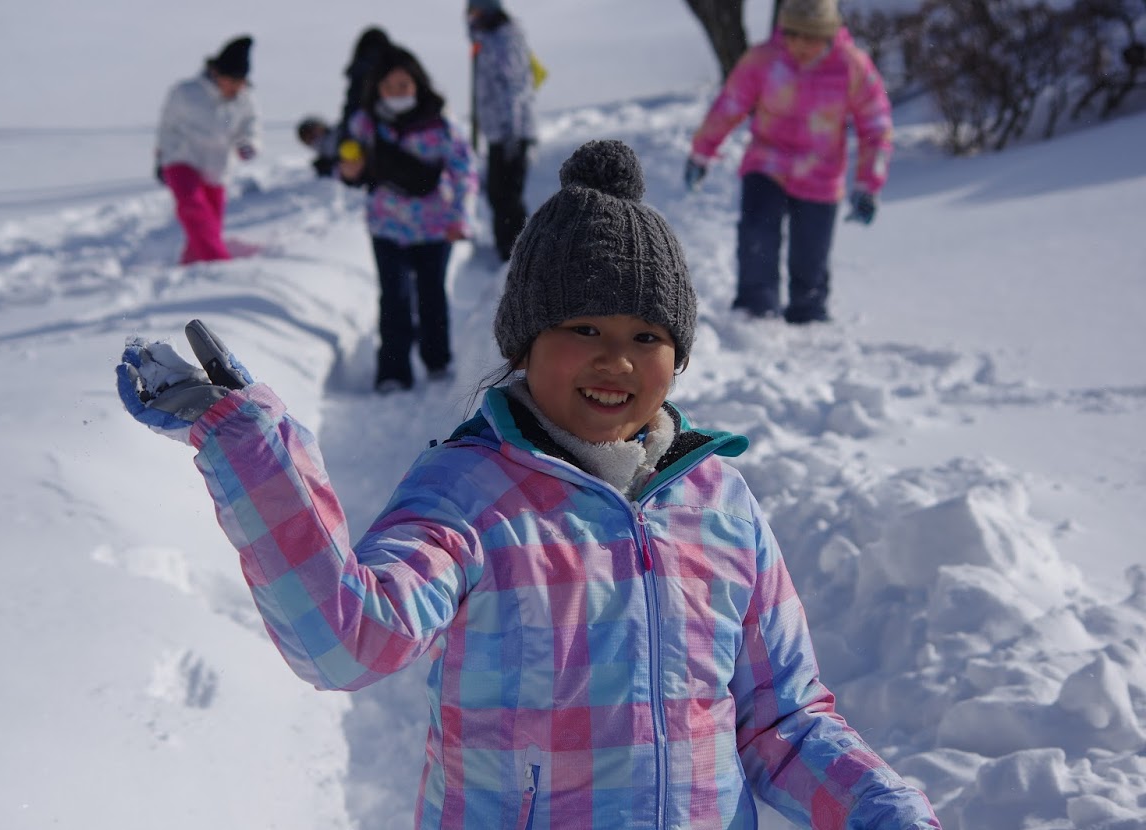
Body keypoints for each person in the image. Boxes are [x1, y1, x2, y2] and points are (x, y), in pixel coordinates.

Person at [116, 139, 942, 830]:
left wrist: (881, 808)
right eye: (583, 328)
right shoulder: (469, 493)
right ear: (524, 343)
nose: (616, 359)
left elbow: (782, 721)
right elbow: (346, 640)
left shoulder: (719, 505)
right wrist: (249, 450)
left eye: (646, 334)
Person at [684, 0, 892, 324]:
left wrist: (868, 184)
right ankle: (755, 313)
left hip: (821, 175)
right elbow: (730, 104)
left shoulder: (851, 66)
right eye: (791, 35)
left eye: (810, 37)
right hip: (766, 163)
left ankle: (807, 319)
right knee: (757, 234)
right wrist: (702, 151)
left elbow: (875, 127)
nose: (799, 45)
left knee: (810, 258)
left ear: (828, 35)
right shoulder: (764, 60)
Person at [337, 44, 476, 393]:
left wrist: (461, 217)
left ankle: (438, 360)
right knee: (394, 298)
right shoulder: (366, 124)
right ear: (377, 90)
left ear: (418, 84)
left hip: (435, 226)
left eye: (404, 85)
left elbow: (464, 172)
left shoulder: (442, 124)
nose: (397, 93)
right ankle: (393, 372)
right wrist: (349, 170)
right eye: (389, 87)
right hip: (387, 226)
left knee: (432, 295)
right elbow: (353, 170)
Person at [155, 35, 261, 265]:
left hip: (217, 167)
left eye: (241, 82)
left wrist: (248, 143)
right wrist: (161, 157)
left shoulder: (243, 100)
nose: (236, 87)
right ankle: (220, 266)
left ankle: (191, 272)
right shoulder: (186, 92)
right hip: (182, 160)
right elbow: (167, 125)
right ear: (217, 73)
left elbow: (248, 126)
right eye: (232, 80)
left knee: (209, 225)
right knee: (194, 210)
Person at [466, 0, 538, 261]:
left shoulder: (504, 39)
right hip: (500, 134)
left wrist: (512, 136)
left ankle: (518, 255)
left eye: (474, 11)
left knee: (508, 197)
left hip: (512, 134)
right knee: (499, 194)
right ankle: (507, 254)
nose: (469, 17)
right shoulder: (485, 39)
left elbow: (514, 89)